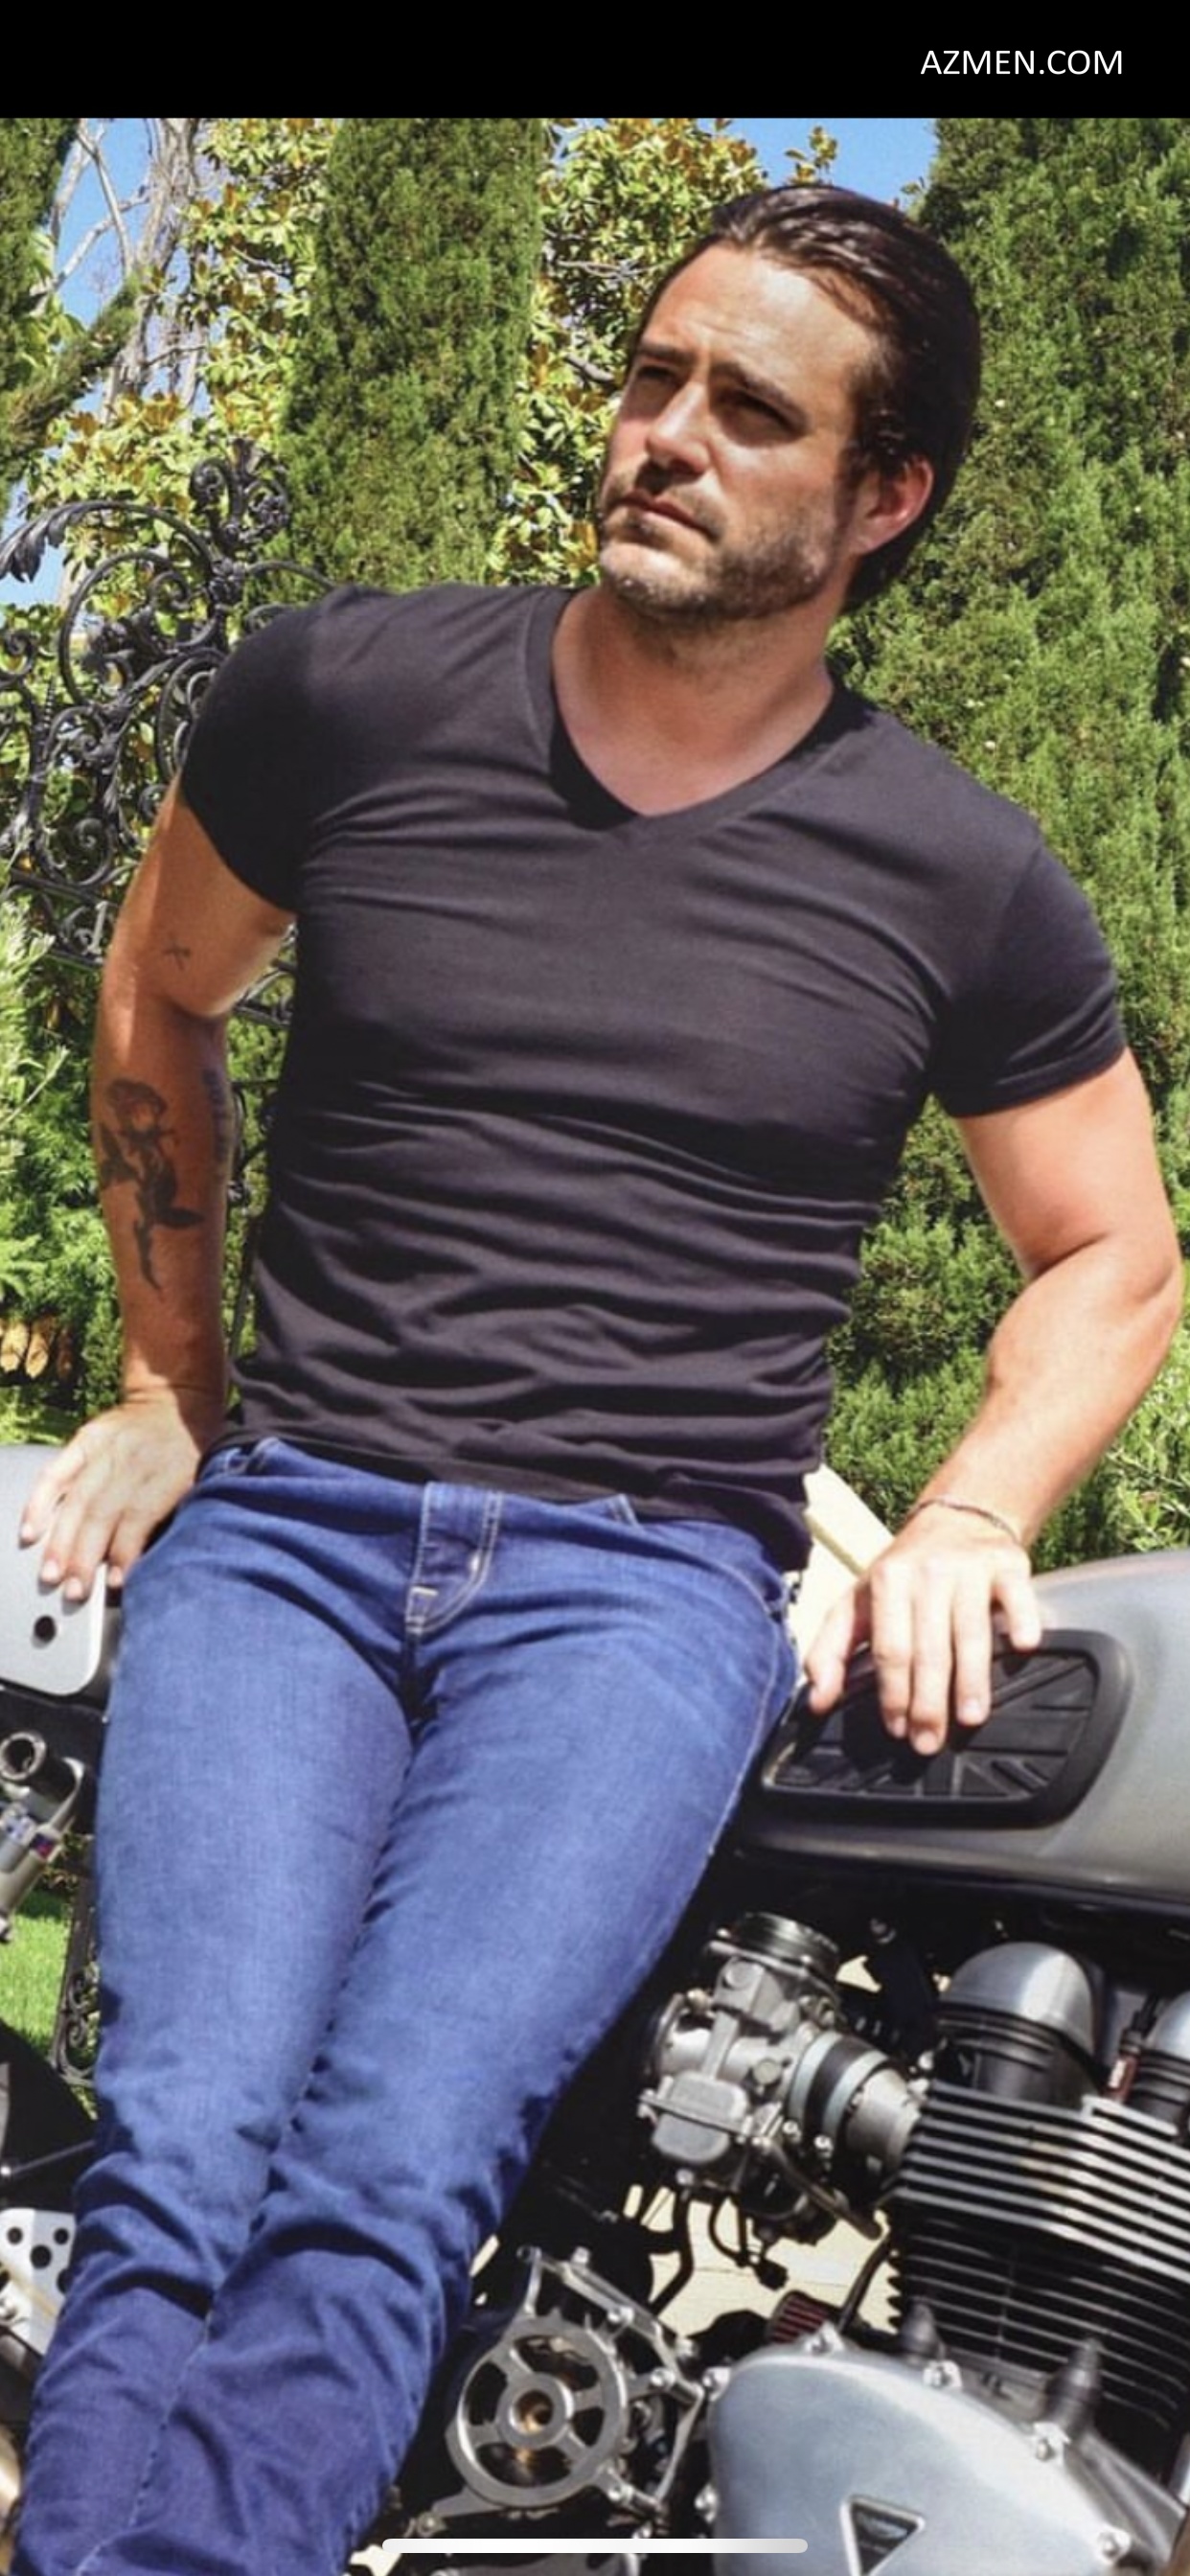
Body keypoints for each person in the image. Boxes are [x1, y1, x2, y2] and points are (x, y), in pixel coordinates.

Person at [12, 185, 1180, 2576]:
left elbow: (1111, 1253)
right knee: (188, 2153)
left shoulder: (954, 873)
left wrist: (972, 1508)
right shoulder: (347, 694)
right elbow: (161, 990)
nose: (665, 433)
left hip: (638, 1597)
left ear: (884, 498)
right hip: (293, 1533)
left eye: (752, 410)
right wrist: (164, 1370)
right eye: (657, 376)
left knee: (380, 2169)